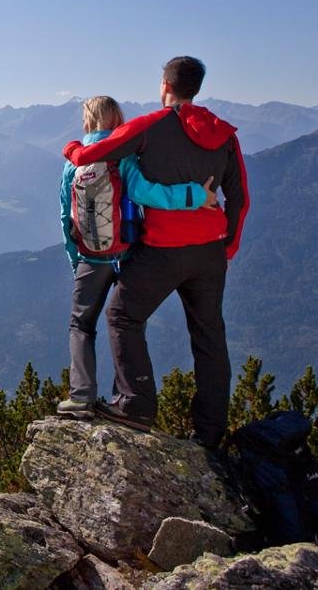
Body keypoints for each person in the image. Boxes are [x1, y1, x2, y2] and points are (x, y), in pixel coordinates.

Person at [63, 56, 249, 448]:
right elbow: (240, 198)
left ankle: (136, 405)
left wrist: (72, 148)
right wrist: (227, 246)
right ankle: (210, 433)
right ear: (196, 88)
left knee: (121, 316)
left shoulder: (149, 127)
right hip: (210, 253)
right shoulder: (225, 136)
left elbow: (93, 155)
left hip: (162, 250)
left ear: (165, 85)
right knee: (210, 337)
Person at [56, 96, 215, 419]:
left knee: (81, 324)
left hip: (92, 257)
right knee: (127, 322)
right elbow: (145, 193)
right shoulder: (124, 157)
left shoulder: (73, 163)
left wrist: (78, 259)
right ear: (118, 120)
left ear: (87, 122)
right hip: (129, 252)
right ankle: (123, 396)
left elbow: (65, 216)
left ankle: (81, 396)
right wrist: (195, 195)